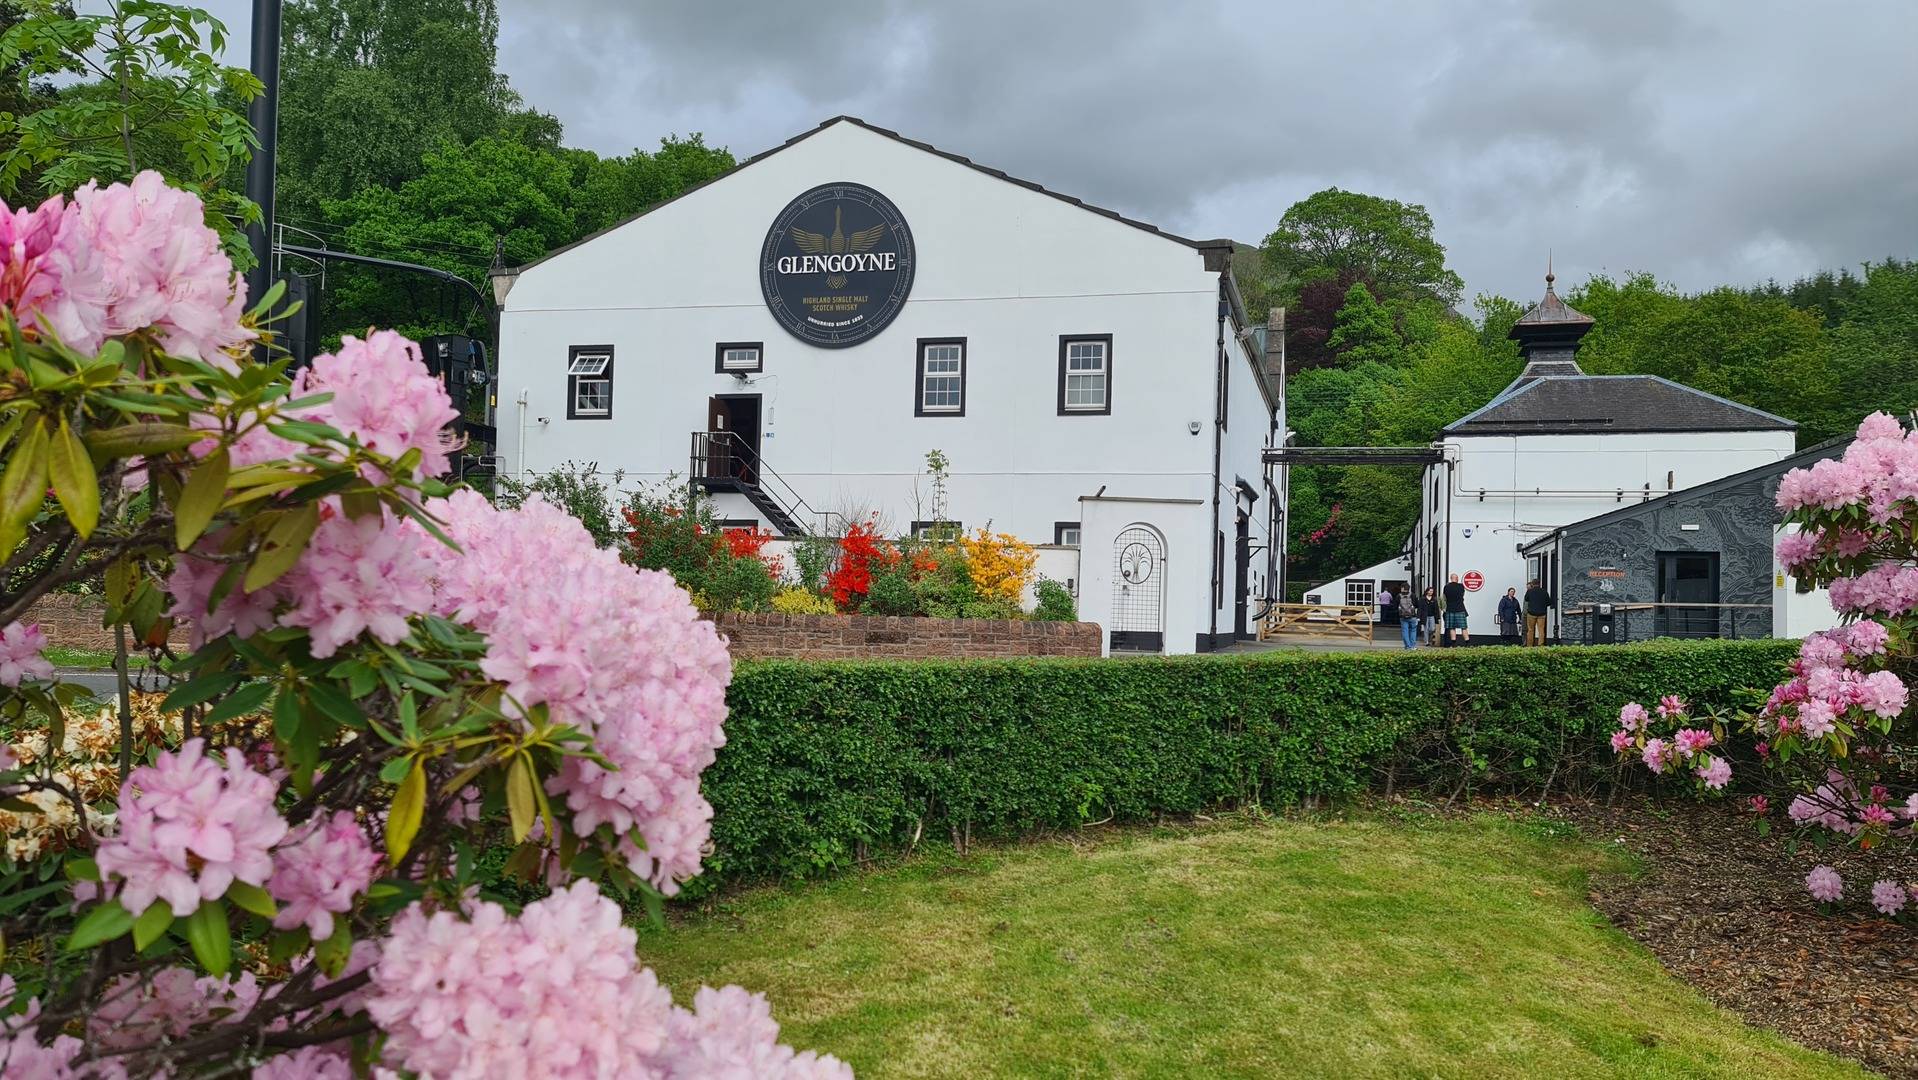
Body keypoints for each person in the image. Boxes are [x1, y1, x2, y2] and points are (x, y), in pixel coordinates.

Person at [1523, 579, 1554, 646]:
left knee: (1530, 630)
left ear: (1532, 584)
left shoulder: (1530, 591)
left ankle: (1529, 646)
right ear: (1539, 584)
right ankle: (1540, 645)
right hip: (1542, 614)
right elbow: (1549, 602)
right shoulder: (1544, 592)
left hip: (1531, 613)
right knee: (1541, 630)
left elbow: (1526, 599)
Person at [1442, 572, 1470, 645]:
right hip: (1460, 608)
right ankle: (1467, 643)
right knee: (1464, 627)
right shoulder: (1461, 586)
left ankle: (1453, 643)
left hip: (1450, 609)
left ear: (1451, 579)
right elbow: (1463, 595)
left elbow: (1444, 598)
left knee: (1452, 627)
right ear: (1457, 579)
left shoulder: (1446, 587)